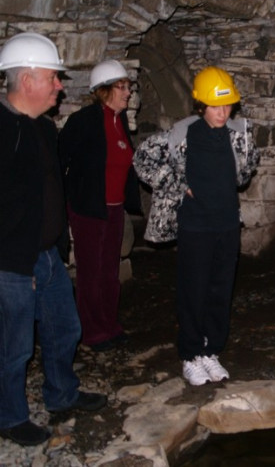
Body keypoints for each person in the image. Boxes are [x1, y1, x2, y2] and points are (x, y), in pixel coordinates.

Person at [0, 32, 107, 447]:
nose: (60, 86)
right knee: (14, 346)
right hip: (12, 262)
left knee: (65, 328)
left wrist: (60, 245)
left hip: (47, 255)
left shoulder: (45, 128)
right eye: (53, 77)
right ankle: (10, 416)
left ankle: (62, 394)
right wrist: (14, 261)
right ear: (27, 80)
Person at [133, 66, 260, 386]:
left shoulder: (239, 133)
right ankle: (190, 354)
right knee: (194, 291)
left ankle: (210, 350)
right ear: (201, 104)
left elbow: (244, 174)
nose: (222, 112)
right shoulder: (182, 133)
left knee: (221, 290)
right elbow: (142, 158)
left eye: (227, 105)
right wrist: (178, 184)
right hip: (195, 226)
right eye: (215, 106)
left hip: (227, 224)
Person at [59, 60, 141, 352]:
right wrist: (67, 202)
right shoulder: (83, 121)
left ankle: (109, 325)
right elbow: (60, 161)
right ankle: (91, 331)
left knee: (109, 271)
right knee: (90, 273)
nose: (128, 92)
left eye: (129, 86)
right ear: (104, 90)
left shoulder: (120, 121)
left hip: (114, 208)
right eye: (122, 87)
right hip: (88, 209)